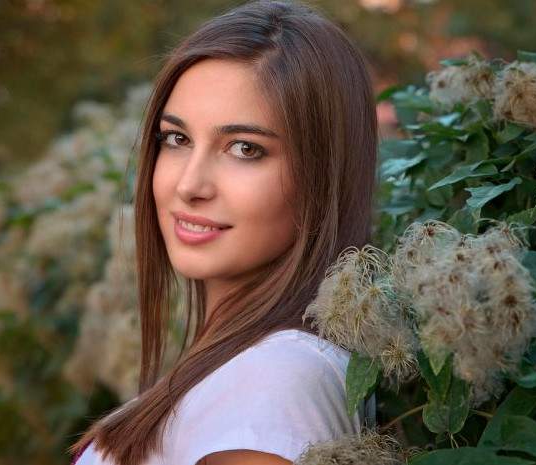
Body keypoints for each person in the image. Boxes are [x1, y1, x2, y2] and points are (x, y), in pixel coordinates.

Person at [69, 0, 378, 464]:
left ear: (323, 175)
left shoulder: (278, 380)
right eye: (177, 139)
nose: (189, 185)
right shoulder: (244, 369)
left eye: (245, 149)